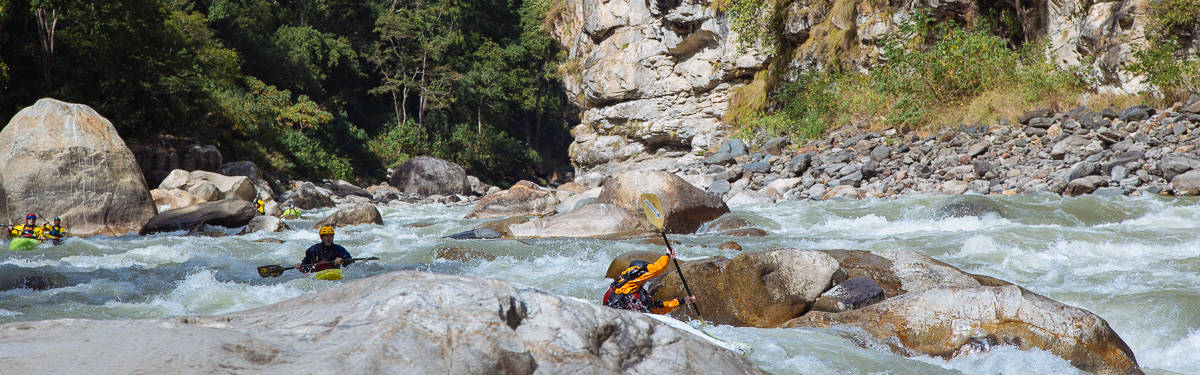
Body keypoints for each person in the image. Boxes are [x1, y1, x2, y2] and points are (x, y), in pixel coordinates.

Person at [602, 248, 696, 314]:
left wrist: (683, 301)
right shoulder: (630, 276)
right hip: (613, 314)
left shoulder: (640, 293)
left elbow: (657, 308)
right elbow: (656, 268)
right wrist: (667, 255)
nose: (646, 279)